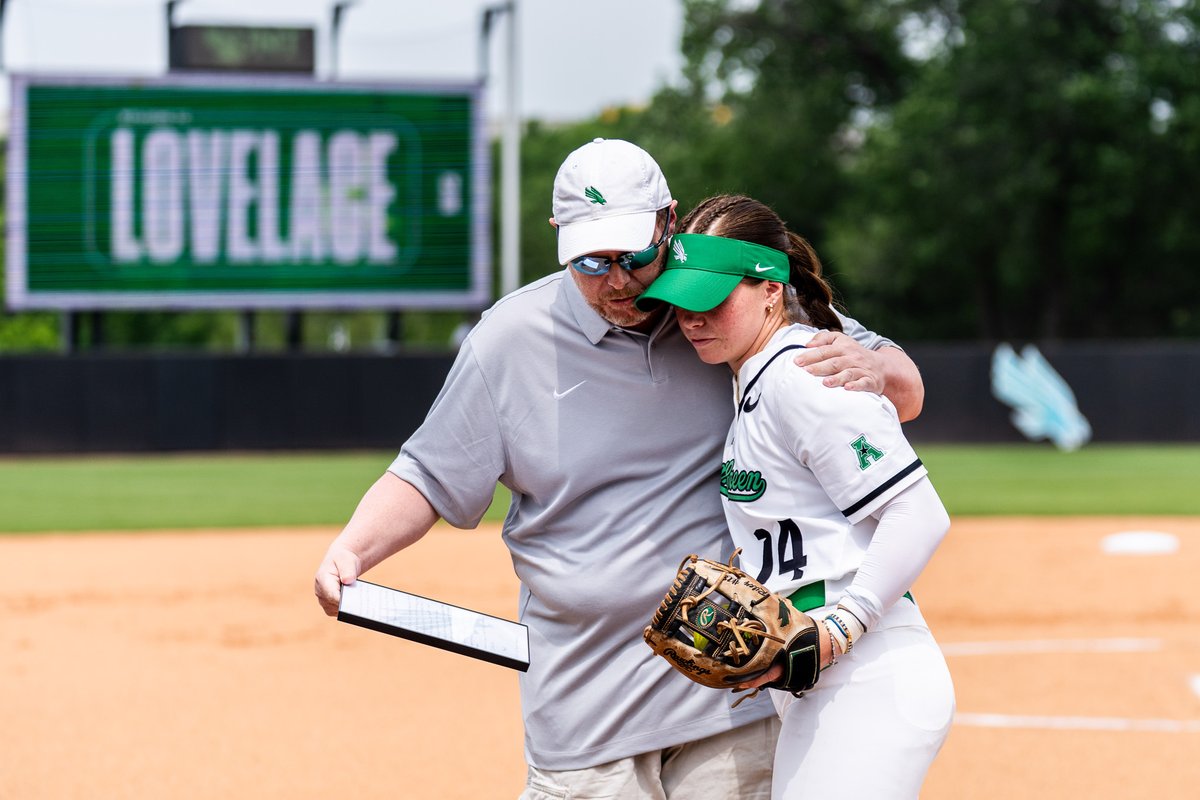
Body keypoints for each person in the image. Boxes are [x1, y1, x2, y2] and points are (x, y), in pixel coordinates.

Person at [313, 138, 925, 800]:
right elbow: (429, 475)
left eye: (633, 256)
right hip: (585, 714)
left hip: (729, 703)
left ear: (669, 222)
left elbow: (905, 390)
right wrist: (353, 548)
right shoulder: (507, 340)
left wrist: (877, 368)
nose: (617, 280)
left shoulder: (728, 305)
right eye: (590, 261)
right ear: (559, 237)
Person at [635, 194, 955, 799]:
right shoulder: (754, 380)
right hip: (826, 679)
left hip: (868, 675)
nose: (691, 318)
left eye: (711, 299)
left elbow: (919, 511)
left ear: (770, 290)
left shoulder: (805, 376)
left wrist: (842, 626)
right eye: (680, 301)